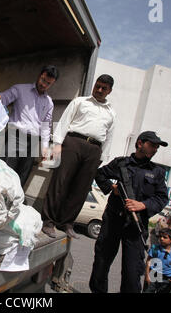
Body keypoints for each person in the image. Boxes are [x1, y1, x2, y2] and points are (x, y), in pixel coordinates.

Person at [89, 131, 169, 293]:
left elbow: (162, 198)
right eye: (152, 145)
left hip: (136, 225)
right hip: (113, 221)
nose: (155, 149)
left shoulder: (158, 172)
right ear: (140, 143)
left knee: (132, 273)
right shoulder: (121, 164)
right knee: (101, 263)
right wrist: (112, 189)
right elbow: (100, 174)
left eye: (157, 147)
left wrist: (143, 205)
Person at [41, 74, 116, 239]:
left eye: (104, 88)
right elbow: (64, 121)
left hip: (95, 150)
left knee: (81, 188)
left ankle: (66, 223)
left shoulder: (111, 113)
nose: (99, 90)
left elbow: (109, 136)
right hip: (73, 142)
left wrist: (102, 158)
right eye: (97, 86)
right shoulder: (80, 101)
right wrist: (58, 144)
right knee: (60, 182)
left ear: (109, 91)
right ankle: (48, 221)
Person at [0, 65, 59, 187]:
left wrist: (45, 148)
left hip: (33, 142)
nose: (44, 85)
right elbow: (4, 97)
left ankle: (12, 204)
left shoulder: (49, 102)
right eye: (43, 80)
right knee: (5, 172)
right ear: (40, 75)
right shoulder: (20, 89)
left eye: (48, 83)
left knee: (22, 176)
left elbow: (46, 126)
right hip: (16, 136)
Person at [143, 228, 171, 293]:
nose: (161, 238)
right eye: (160, 236)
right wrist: (147, 275)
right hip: (154, 275)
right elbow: (148, 261)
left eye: (165, 237)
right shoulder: (155, 248)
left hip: (167, 279)